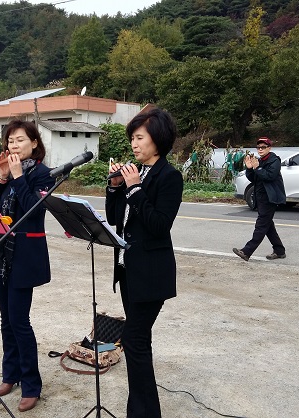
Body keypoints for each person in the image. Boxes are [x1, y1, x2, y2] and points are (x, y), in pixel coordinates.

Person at [105, 108, 183, 418]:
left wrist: (135, 189)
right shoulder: (136, 171)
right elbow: (115, 219)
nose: (134, 144)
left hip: (152, 274)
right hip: (129, 270)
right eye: (133, 139)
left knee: (135, 341)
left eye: (140, 138)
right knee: (140, 341)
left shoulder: (169, 176)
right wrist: (115, 187)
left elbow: (160, 225)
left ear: (158, 138)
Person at [0, 120, 54, 412]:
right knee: (5, 320)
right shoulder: (7, 173)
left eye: (19, 141)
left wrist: (16, 176)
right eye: (10, 142)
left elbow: (33, 211)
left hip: (25, 255)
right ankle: (10, 374)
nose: (13, 146)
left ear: (34, 143)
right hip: (1, 254)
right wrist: (2, 178)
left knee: (19, 322)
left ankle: (31, 385)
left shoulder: (43, 174)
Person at [233, 137, 287, 261]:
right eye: (258, 147)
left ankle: (246, 251)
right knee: (268, 225)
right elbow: (254, 179)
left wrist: (258, 168)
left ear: (269, 148)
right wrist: (250, 168)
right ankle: (279, 250)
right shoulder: (259, 161)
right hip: (261, 197)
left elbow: (269, 176)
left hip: (270, 197)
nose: (260, 149)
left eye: (263, 147)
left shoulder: (274, 161)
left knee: (261, 225)